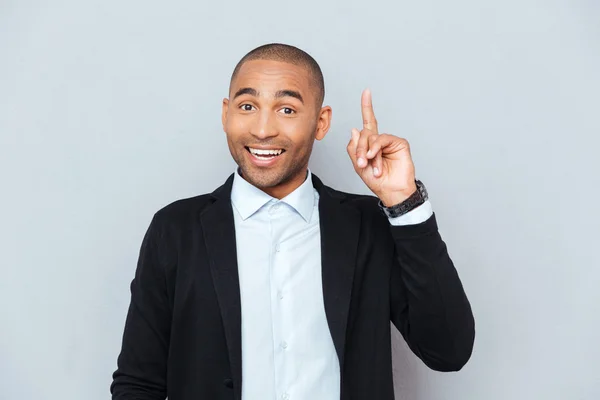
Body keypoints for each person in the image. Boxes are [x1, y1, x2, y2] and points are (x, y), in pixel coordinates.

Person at [110, 43, 475, 400]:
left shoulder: (369, 226)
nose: (263, 129)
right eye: (248, 106)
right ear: (226, 114)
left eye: (286, 109)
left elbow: (448, 350)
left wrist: (403, 203)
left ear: (321, 122)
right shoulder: (175, 230)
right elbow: (138, 383)